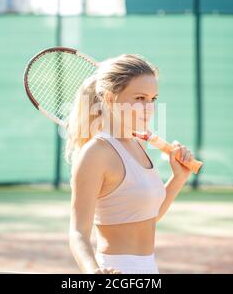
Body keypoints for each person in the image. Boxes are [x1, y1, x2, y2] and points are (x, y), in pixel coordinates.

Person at [66, 54, 193, 274]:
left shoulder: (138, 146)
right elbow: (78, 232)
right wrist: (93, 271)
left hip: (149, 269)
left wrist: (178, 178)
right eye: (139, 98)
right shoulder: (96, 154)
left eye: (152, 99)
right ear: (108, 98)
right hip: (115, 271)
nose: (148, 107)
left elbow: (146, 215)